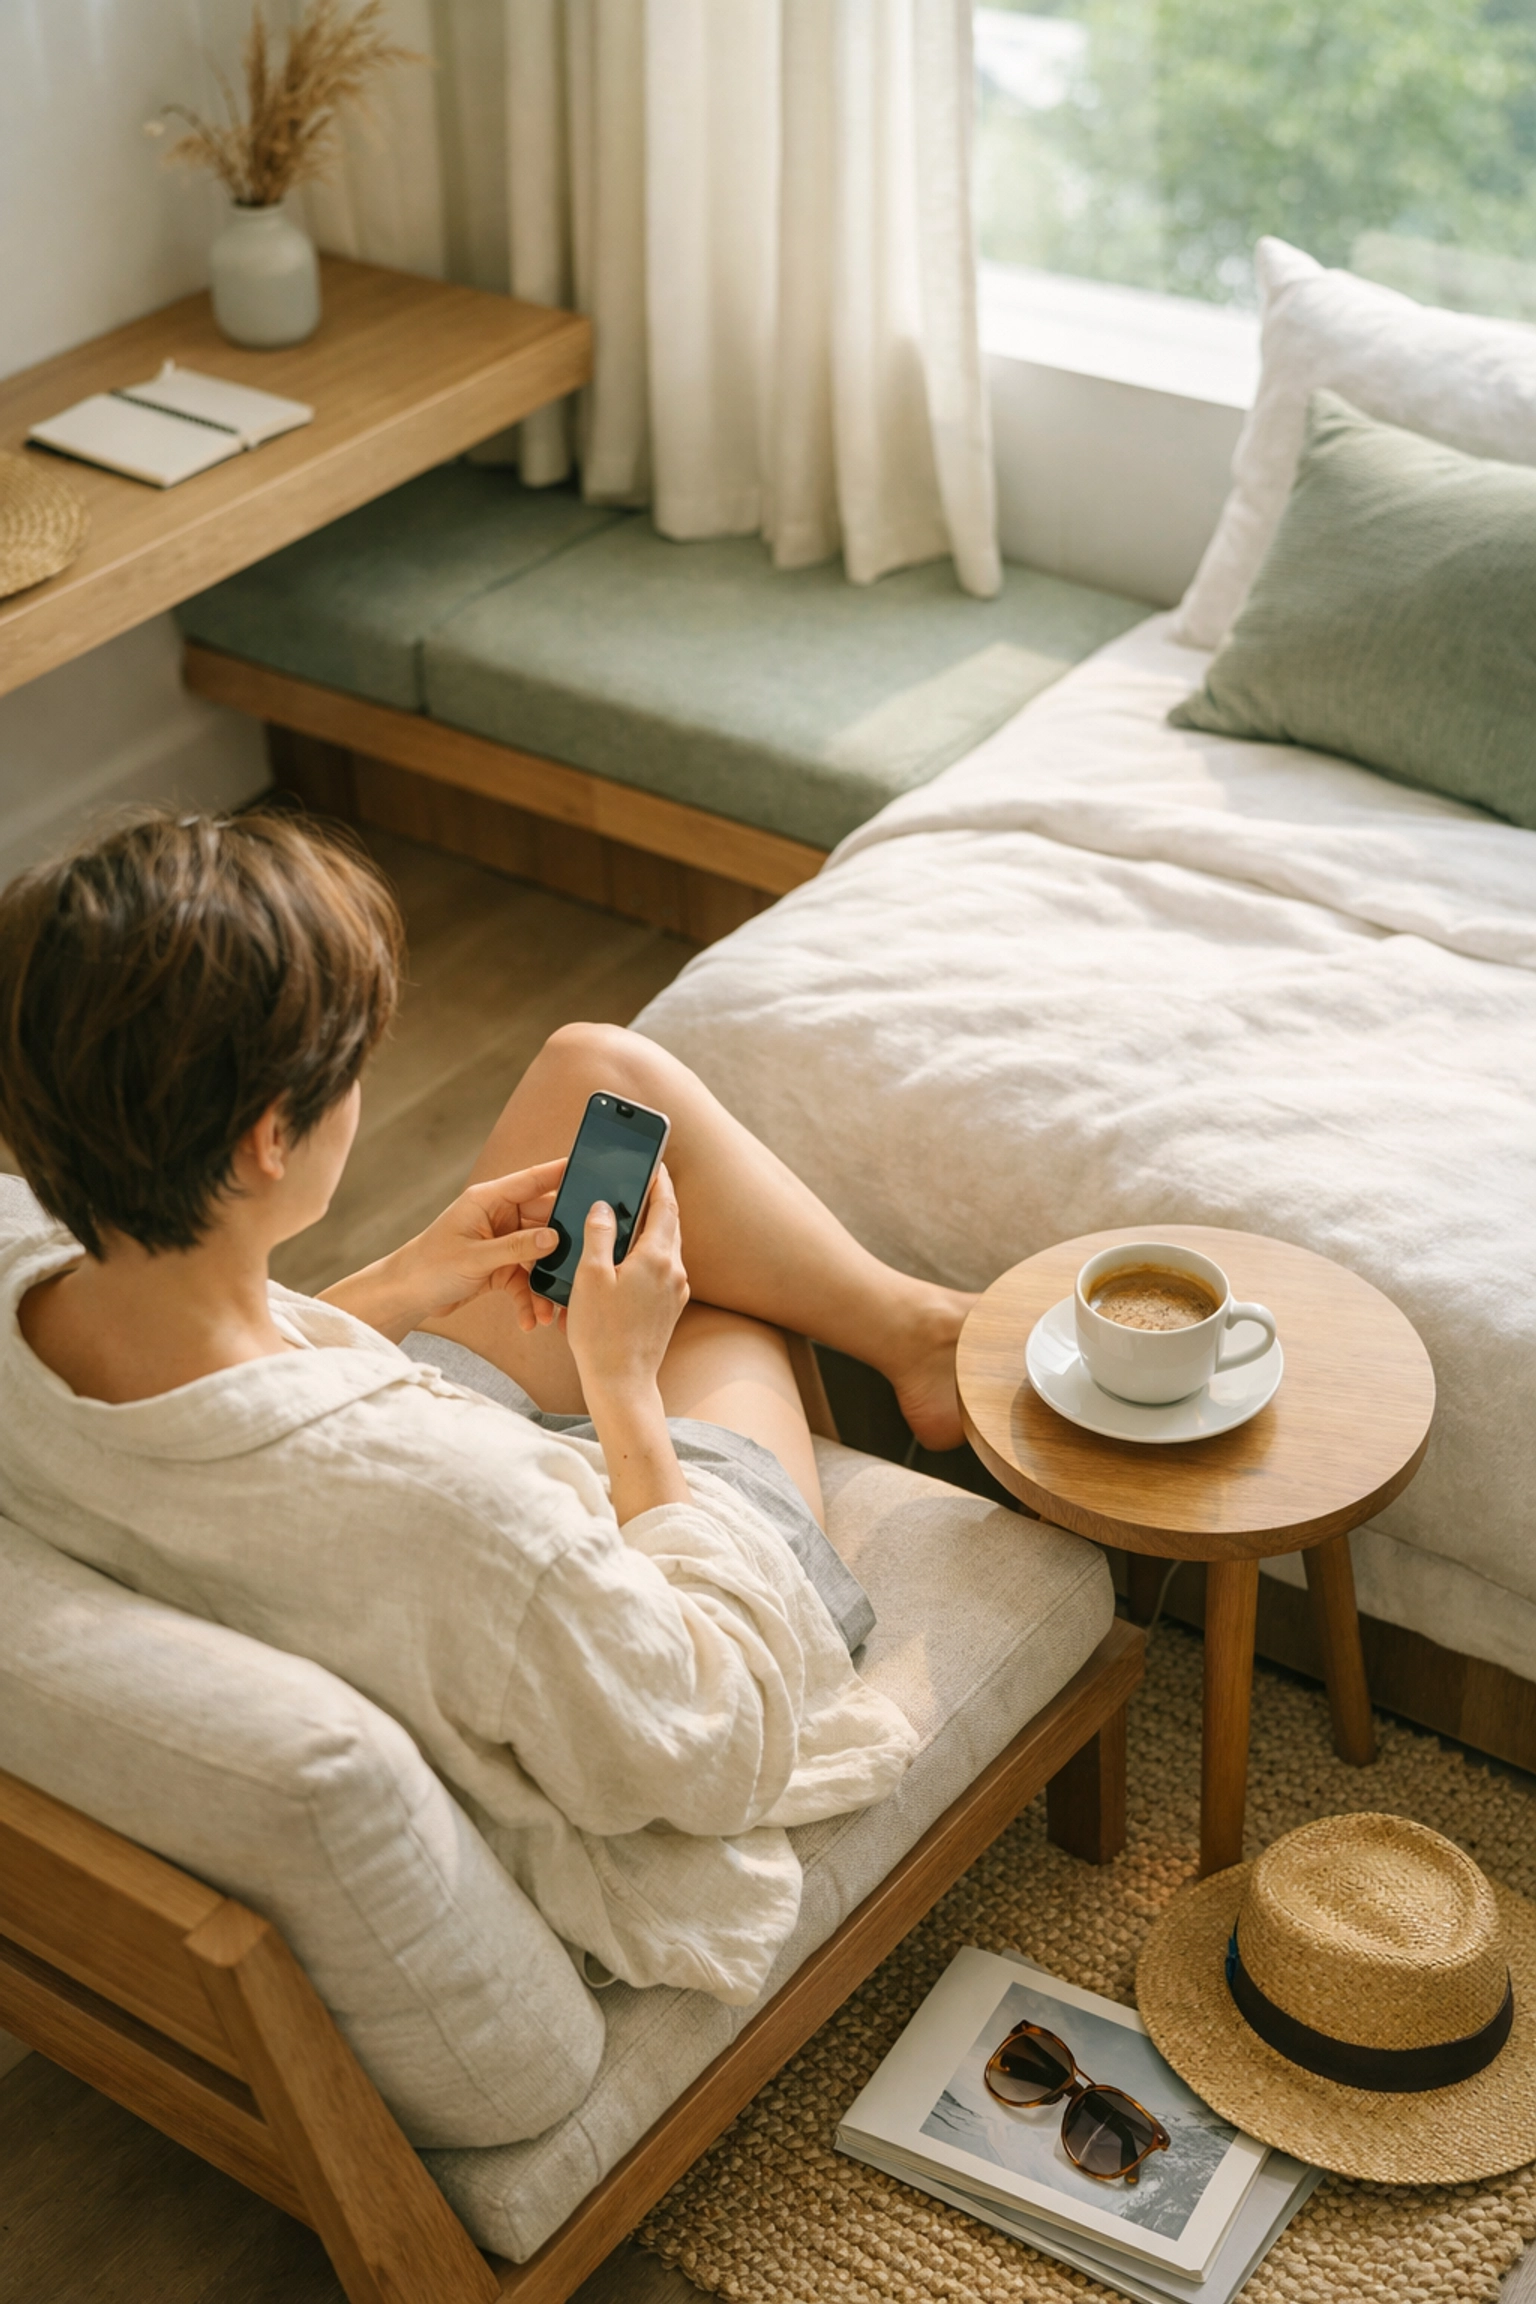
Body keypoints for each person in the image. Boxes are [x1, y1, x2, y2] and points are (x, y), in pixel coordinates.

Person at [0, 809, 974, 2003]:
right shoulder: (472, 1516)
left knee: (596, 1072)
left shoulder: (22, 1276)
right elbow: (706, 1735)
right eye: (348, 1065)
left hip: (380, 1499)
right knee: (709, 1289)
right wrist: (624, 1383)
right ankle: (921, 1344)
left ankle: (917, 1331)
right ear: (267, 1140)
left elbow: (237, 1397)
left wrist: (402, 1282)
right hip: (619, 1578)